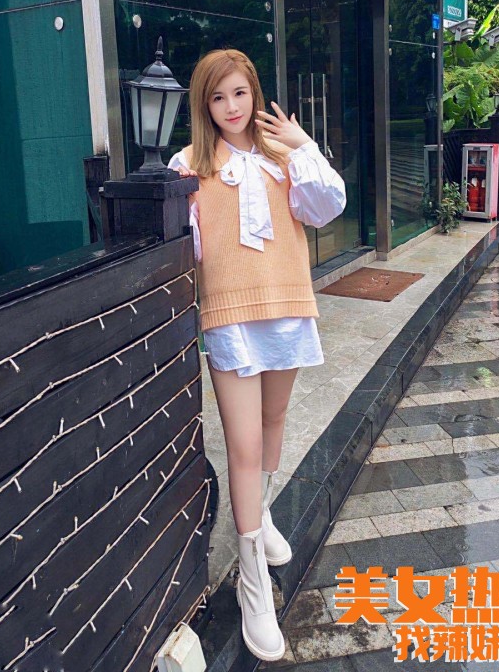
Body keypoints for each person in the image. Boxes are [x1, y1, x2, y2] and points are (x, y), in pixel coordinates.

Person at [168, 48, 346, 662]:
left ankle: (262, 514)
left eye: (240, 93)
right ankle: (252, 586)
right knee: (242, 446)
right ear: (204, 105)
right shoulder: (190, 166)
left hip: (287, 306)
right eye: (218, 97)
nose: (231, 107)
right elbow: (188, 248)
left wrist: (304, 146)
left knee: (273, 422)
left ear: (255, 93)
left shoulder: (281, 156)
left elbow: (326, 207)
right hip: (230, 320)